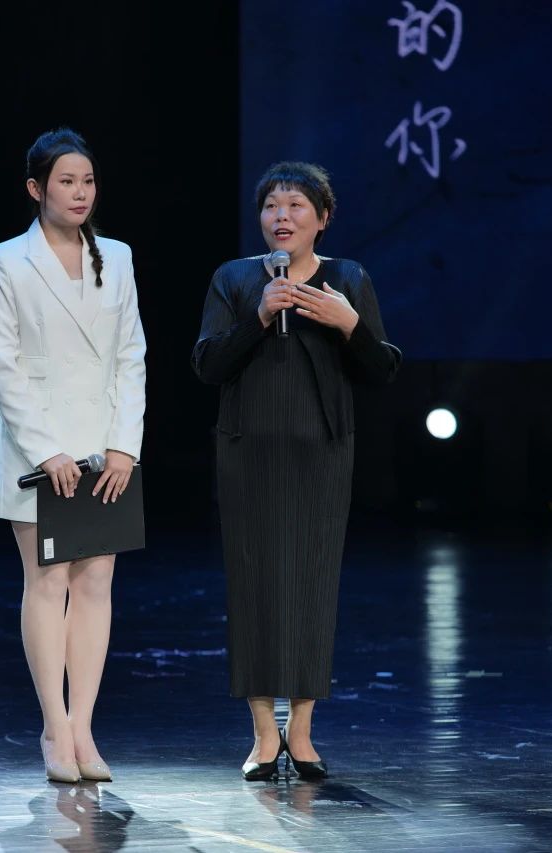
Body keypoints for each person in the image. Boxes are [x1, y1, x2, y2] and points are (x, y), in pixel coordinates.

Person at [191, 161, 400, 781]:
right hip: (248, 451)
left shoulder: (348, 279)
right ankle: (263, 733)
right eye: (271, 206)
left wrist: (349, 325)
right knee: (253, 584)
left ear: (323, 218)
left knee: (312, 584)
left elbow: (384, 368)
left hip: (321, 451)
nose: (281, 217)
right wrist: (258, 317)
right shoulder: (235, 278)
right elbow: (206, 364)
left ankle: (302, 731)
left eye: (296, 206)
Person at [0, 128, 147, 783]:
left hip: (104, 450)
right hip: (36, 449)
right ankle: (53, 726)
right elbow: (3, 364)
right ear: (36, 188)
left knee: (96, 584)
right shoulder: (5, 261)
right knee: (48, 582)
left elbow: (131, 354)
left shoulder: (118, 256)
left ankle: (83, 728)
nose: (80, 193)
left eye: (88, 181)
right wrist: (46, 449)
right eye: (66, 181)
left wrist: (124, 444)